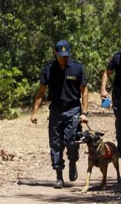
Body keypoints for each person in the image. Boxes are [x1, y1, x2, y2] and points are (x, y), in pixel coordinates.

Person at [30, 40, 89, 189]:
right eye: (61, 55)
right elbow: (41, 91)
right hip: (56, 110)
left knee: (71, 140)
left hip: (73, 109)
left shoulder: (77, 68)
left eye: (66, 55)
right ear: (55, 53)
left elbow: (84, 90)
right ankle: (58, 176)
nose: (64, 58)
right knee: (56, 144)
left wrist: (85, 112)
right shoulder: (48, 69)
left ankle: (73, 161)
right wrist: (35, 112)